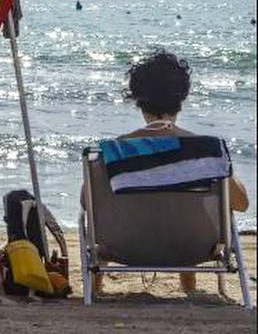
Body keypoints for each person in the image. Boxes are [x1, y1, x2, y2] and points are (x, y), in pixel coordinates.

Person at [91, 49, 250, 294]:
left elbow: (88, 203)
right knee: (185, 208)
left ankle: (95, 289)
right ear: (181, 99)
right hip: (193, 249)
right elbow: (241, 203)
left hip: (126, 247)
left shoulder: (113, 153)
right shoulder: (205, 151)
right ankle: (189, 287)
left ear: (137, 99)